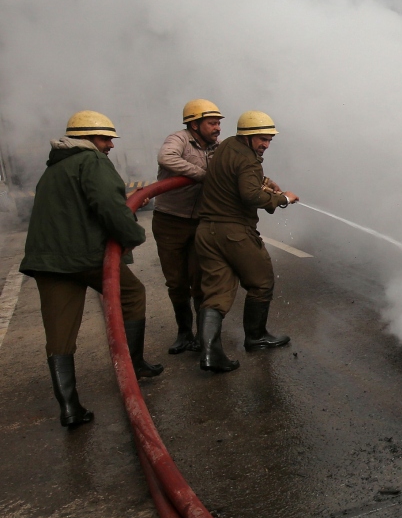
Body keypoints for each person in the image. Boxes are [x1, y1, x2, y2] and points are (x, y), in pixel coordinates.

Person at [20, 111, 161, 428]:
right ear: (84, 139)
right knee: (132, 295)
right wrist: (132, 236)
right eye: (104, 138)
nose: (110, 144)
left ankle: (70, 408)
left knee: (59, 334)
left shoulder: (52, 169)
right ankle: (135, 364)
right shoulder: (92, 162)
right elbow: (110, 205)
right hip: (87, 257)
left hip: (48, 262)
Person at [194, 110, 299, 373]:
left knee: (216, 293)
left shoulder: (227, 146)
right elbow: (250, 195)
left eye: (269, 139)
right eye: (262, 139)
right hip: (234, 232)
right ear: (248, 136)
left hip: (207, 232)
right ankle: (256, 337)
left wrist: (264, 182)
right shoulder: (249, 160)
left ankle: (210, 353)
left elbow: (235, 178)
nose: (266, 144)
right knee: (261, 282)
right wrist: (282, 199)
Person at [153, 99, 222, 355]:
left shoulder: (218, 147)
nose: (217, 128)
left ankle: (205, 338)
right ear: (194, 123)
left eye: (218, 123)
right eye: (212, 123)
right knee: (177, 281)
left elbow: (233, 168)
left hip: (201, 222)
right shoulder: (179, 139)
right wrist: (202, 174)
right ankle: (184, 333)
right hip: (170, 220)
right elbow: (166, 157)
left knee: (201, 281)